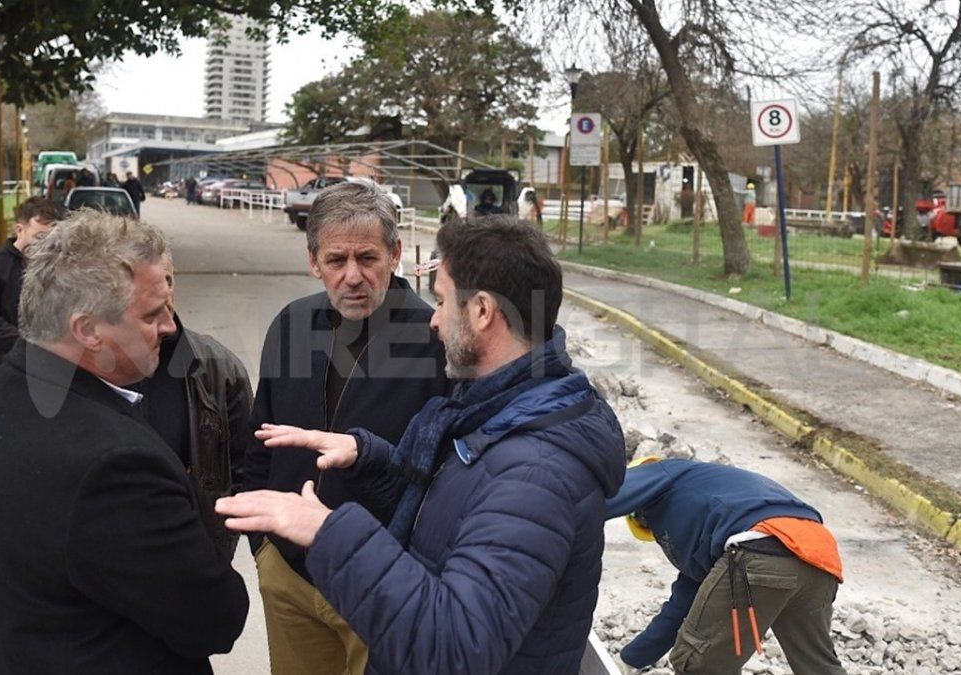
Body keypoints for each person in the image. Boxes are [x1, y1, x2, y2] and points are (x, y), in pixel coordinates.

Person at [220, 216, 626, 673]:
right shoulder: (493, 414)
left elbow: (456, 646)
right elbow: (444, 519)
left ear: (482, 312)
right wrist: (368, 458)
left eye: (440, 301)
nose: (432, 320)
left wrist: (328, 532)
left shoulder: (534, 472)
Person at [0, 212, 249, 674]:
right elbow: (216, 619)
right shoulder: (117, 463)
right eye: (151, 313)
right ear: (86, 329)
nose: (169, 326)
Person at [238, 179, 449, 675]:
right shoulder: (290, 324)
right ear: (314, 261)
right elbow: (260, 438)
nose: (352, 276)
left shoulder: (434, 339)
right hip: (288, 576)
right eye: (336, 260)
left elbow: (447, 472)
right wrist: (265, 551)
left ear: (395, 254)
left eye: (367, 258)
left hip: (382, 579)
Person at [604, 457, 846, 674]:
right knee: (818, 665)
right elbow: (680, 610)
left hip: (760, 548)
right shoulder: (713, 514)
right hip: (820, 556)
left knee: (700, 664)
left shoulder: (663, 471)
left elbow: (596, 498)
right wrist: (626, 662)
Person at [130, 255, 254, 560]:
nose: (162, 293)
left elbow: (245, 468)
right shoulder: (87, 367)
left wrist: (222, 539)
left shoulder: (219, 368)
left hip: (195, 556)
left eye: (168, 280)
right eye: (146, 285)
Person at [0, 196, 62, 374]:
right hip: (3, 367)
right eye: (39, 237)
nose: (45, 245)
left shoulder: (55, 265)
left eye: (51, 239)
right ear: (20, 230)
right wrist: (28, 346)